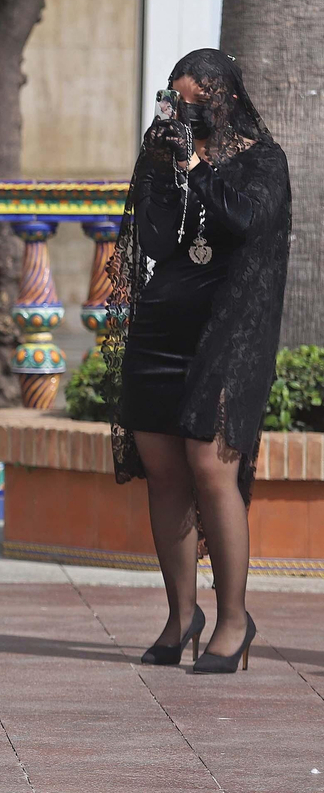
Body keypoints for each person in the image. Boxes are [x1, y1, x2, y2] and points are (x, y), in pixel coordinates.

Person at [106, 48, 292, 674]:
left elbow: (244, 221)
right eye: (176, 100)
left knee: (212, 468)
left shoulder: (264, 161)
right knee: (164, 472)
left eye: (196, 102)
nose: (186, 113)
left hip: (229, 331)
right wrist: (166, 172)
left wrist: (196, 166)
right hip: (161, 327)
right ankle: (181, 615)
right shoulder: (165, 158)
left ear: (227, 99)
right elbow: (157, 241)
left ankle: (234, 620)